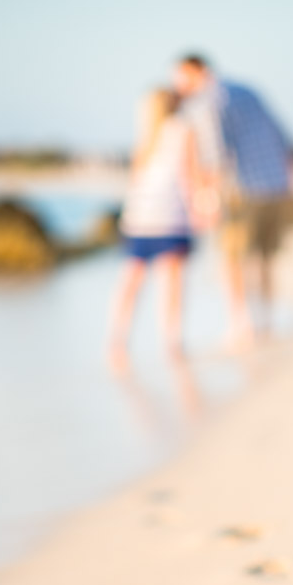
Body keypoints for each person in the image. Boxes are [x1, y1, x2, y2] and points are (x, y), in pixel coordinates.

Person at [174, 54, 292, 346]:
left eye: (179, 77)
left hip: (241, 189)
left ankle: (241, 323)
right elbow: (281, 135)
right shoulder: (248, 90)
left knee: (231, 257)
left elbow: (213, 154)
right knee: (264, 258)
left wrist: (207, 199)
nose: (176, 84)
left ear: (195, 72)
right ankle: (266, 319)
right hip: (276, 184)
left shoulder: (204, 101)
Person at [108, 88, 209, 372]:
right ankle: (172, 342)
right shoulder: (182, 130)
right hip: (170, 215)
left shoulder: (145, 134)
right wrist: (200, 209)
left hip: (139, 217)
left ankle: (117, 340)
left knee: (131, 280)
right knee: (172, 284)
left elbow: (136, 179)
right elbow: (190, 175)